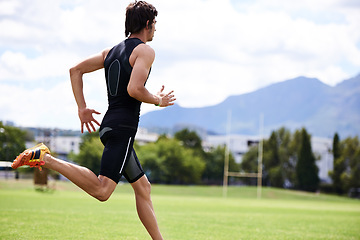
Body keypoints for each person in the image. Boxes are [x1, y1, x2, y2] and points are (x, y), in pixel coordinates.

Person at [11, 1, 175, 239]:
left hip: (110, 125)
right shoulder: (145, 51)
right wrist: (157, 100)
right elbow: (135, 89)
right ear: (148, 24)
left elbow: (75, 70)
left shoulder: (110, 52)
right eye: (155, 25)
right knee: (102, 190)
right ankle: (46, 159)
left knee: (143, 187)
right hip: (123, 129)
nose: (156, 30)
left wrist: (82, 108)